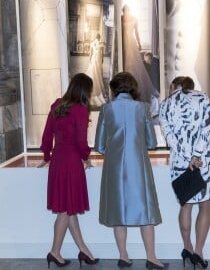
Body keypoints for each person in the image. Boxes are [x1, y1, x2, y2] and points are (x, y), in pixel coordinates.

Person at [94, 72, 168, 269]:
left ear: (114, 88)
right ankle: (151, 257)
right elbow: (152, 143)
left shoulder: (106, 109)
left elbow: (99, 146)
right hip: (138, 165)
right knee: (146, 210)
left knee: (118, 211)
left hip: (114, 167)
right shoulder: (142, 108)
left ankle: (123, 256)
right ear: (133, 87)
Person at [39, 73, 99, 268]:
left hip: (58, 161)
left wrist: (47, 157)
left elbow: (47, 136)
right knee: (66, 210)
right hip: (72, 163)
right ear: (85, 91)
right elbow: (81, 142)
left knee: (69, 208)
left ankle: (84, 251)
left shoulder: (57, 105)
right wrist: (86, 158)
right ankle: (55, 252)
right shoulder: (80, 109)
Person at [159, 76, 210, 269]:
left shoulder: (165, 105)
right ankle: (199, 251)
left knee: (186, 206)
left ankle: (188, 248)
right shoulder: (203, 98)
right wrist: (196, 155)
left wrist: (186, 157)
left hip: (180, 163)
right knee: (205, 207)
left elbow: (169, 138)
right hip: (202, 162)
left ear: (174, 86)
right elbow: (206, 130)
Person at [121, 5, 159, 106]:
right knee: (126, 64)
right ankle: (126, 90)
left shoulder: (134, 19)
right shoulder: (121, 18)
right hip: (123, 42)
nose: (126, 12)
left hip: (131, 43)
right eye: (124, 10)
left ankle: (134, 90)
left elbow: (137, 32)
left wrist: (139, 43)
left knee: (134, 65)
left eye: (127, 10)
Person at [86, 33, 106, 106]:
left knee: (93, 69)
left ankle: (94, 79)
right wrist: (102, 59)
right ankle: (97, 80)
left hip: (94, 58)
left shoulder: (92, 43)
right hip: (98, 58)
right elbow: (102, 53)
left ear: (95, 37)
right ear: (99, 37)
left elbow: (90, 53)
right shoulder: (101, 44)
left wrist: (90, 59)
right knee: (98, 70)